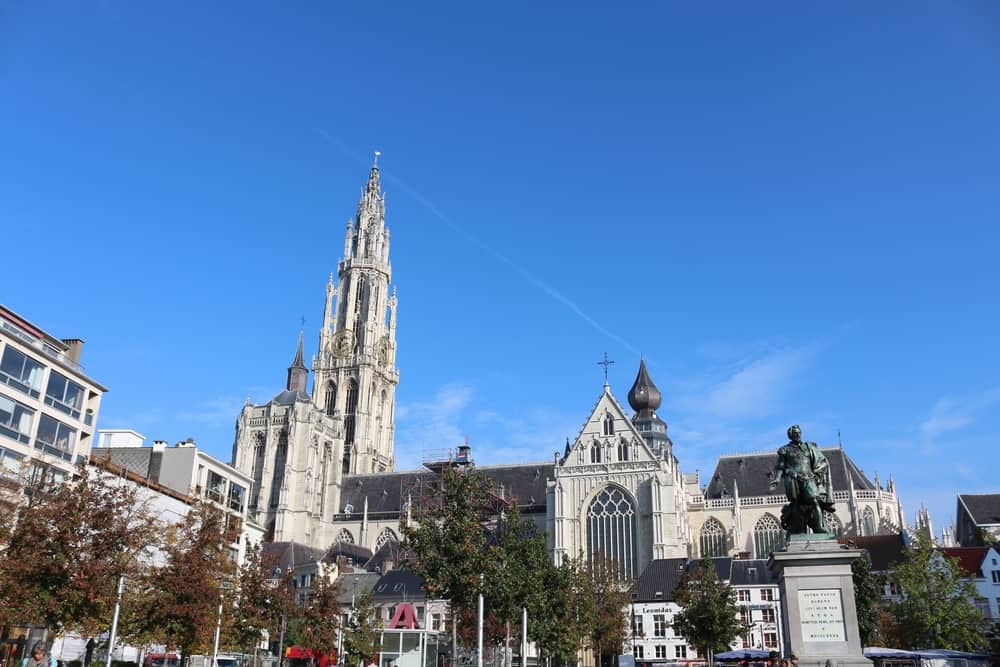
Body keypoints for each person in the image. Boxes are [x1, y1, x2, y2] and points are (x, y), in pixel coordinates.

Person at [770, 424, 836, 533]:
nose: (798, 435)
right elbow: (780, 467)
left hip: (808, 478)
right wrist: (776, 479)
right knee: (796, 504)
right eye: (795, 433)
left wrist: (817, 472)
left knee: (814, 500)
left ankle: (819, 526)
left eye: (799, 433)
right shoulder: (785, 450)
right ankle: (799, 528)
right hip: (793, 479)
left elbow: (822, 461)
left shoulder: (809, 447)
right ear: (790, 435)